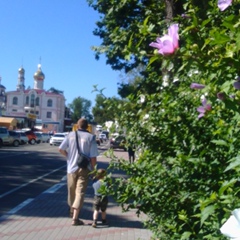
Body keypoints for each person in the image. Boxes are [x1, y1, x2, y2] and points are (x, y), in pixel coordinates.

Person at [59, 118, 98, 226]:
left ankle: (72, 212)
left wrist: (68, 157)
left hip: (71, 168)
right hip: (84, 168)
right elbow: (93, 157)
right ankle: (75, 217)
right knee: (80, 192)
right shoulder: (91, 137)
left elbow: (61, 149)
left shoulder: (70, 135)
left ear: (77, 125)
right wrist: (94, 171)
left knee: (71, 191)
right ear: (87, 126)